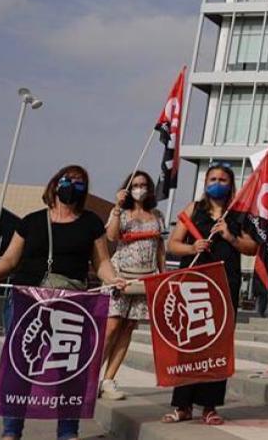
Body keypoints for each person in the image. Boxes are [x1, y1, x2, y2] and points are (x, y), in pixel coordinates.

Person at [0, 165, 126, 440]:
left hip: (71, 304)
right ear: (55, 184)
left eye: (80, 182)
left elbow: (101, 261)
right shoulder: (31, 221)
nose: (73, 185)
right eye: (69, 180)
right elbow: (10, 259)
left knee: (68, 370)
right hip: (27, 304)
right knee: (19, 368)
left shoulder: (91, 222)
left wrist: (113, 279)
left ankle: (68, 432)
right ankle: (11, 432)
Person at [162, 163, 259, 426]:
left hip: (225, 283)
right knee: (190, 342)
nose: (217, 182)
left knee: (218, 345)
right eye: (213, 178)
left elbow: (252, 248)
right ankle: (182, 405)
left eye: (223, 179)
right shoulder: (193, 209)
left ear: (231, 183)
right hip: (194, 282)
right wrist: (193, 247)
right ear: (206, 183)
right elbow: (172, 244)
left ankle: (210, 406)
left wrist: (230, 237)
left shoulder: (240, 215)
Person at [101, 170, 166, 400]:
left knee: (128, 327)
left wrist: (162, 274)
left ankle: (109, 379)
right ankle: (91, 377)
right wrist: (117, 208)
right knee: (111, 327)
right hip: (120, 276)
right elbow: (111, 236)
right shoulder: (122, 212)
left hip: (145, 277)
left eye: (143, 184)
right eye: (135, 184)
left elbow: (160, 248)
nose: (140, 188)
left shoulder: (157, 215)